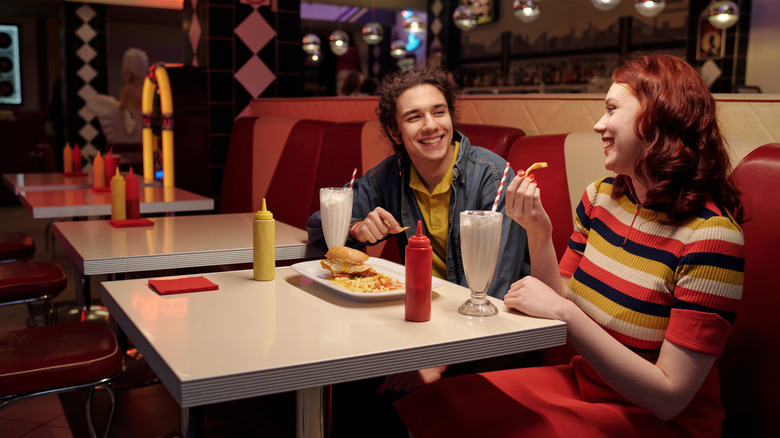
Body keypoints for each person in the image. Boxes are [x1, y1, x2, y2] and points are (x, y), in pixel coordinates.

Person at [393, 54, 745, 437]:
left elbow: (668, 397)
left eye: (612, 109)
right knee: (438, 403)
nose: (599, 124)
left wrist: (567, 315)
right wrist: (537, 232)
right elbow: (559, 297)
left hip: (661, 419)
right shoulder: (601, 197)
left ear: (659, 119)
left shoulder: (711, 237)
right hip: (583, 385)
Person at [306, 66, 533, 436]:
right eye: (414, 117)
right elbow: (317, 228)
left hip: (493, 338)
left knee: (386, 409)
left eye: (438, 111)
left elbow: (494, 289)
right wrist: (356, 229)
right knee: (340, 377)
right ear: (395, 131)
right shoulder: (389, 175)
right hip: (423, 325)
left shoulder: (492, 176)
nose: (431, 125)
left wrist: (437, 359)